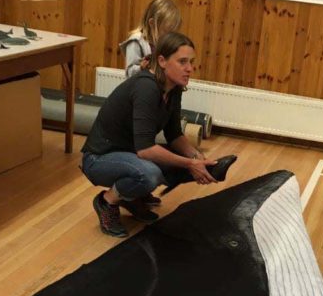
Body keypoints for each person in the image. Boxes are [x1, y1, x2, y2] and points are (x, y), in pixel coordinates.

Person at [82, 32, 236, 237]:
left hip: (128, 153)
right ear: (162, 61)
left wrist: (198, 158)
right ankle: (107, 201)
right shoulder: (146, 87)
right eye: (182, 62)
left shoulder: (174, 89)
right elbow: (145, 150)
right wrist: (190, 164)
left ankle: (131, 197)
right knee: (149, 173)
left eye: (191, 62)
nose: (189, 68)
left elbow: (174, 135)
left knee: (177, 163)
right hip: (99, 158)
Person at [119, 0, 182, 77]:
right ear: (152, 24)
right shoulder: (136, 41)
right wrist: (141, 68)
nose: (168, 37)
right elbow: (129, 73)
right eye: (166, 31)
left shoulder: (162, 43)